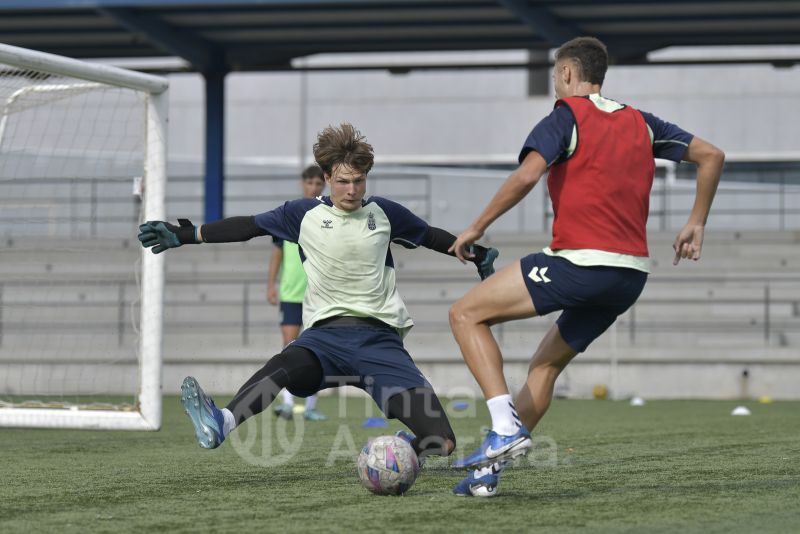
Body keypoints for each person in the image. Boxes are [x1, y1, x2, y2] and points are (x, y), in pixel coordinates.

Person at [447, 36, 724, 497]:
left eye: (556, 76)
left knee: (464, 314)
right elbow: (712, 155)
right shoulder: (641, 122)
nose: (556, 85)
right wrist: (696, 222)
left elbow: (527, 175)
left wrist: (476, 227)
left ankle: (503, 428)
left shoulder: (566, 115)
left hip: (580, 264)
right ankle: (484, 477)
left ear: (569, 75)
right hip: (629, 276)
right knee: (545, 367)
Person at [137, 123, 499, 467]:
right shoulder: (302, 213)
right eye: (343, 181)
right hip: (325, 339)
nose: (351, 190)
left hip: (381, 343)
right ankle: (223, 421)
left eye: (358, 181)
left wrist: (476, 253)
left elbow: (431, 236)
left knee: (442, 441)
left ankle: (400, 452)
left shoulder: (384, 213)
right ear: (327, 179)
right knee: (285, 363)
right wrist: (187, 235)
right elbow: (249, 226)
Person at [267, 164, 327, 421]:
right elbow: (278, 252)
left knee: (321, 349)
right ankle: (289, 403)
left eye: (317, 184)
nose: (313, 188)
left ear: (323, 185)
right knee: (289, 348)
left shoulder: (328, 215)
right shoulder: (291, 215)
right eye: (309, 183)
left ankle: (311, 406)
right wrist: (271, 284)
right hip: (292, 292)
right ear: (303, 184)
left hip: (319, 292)